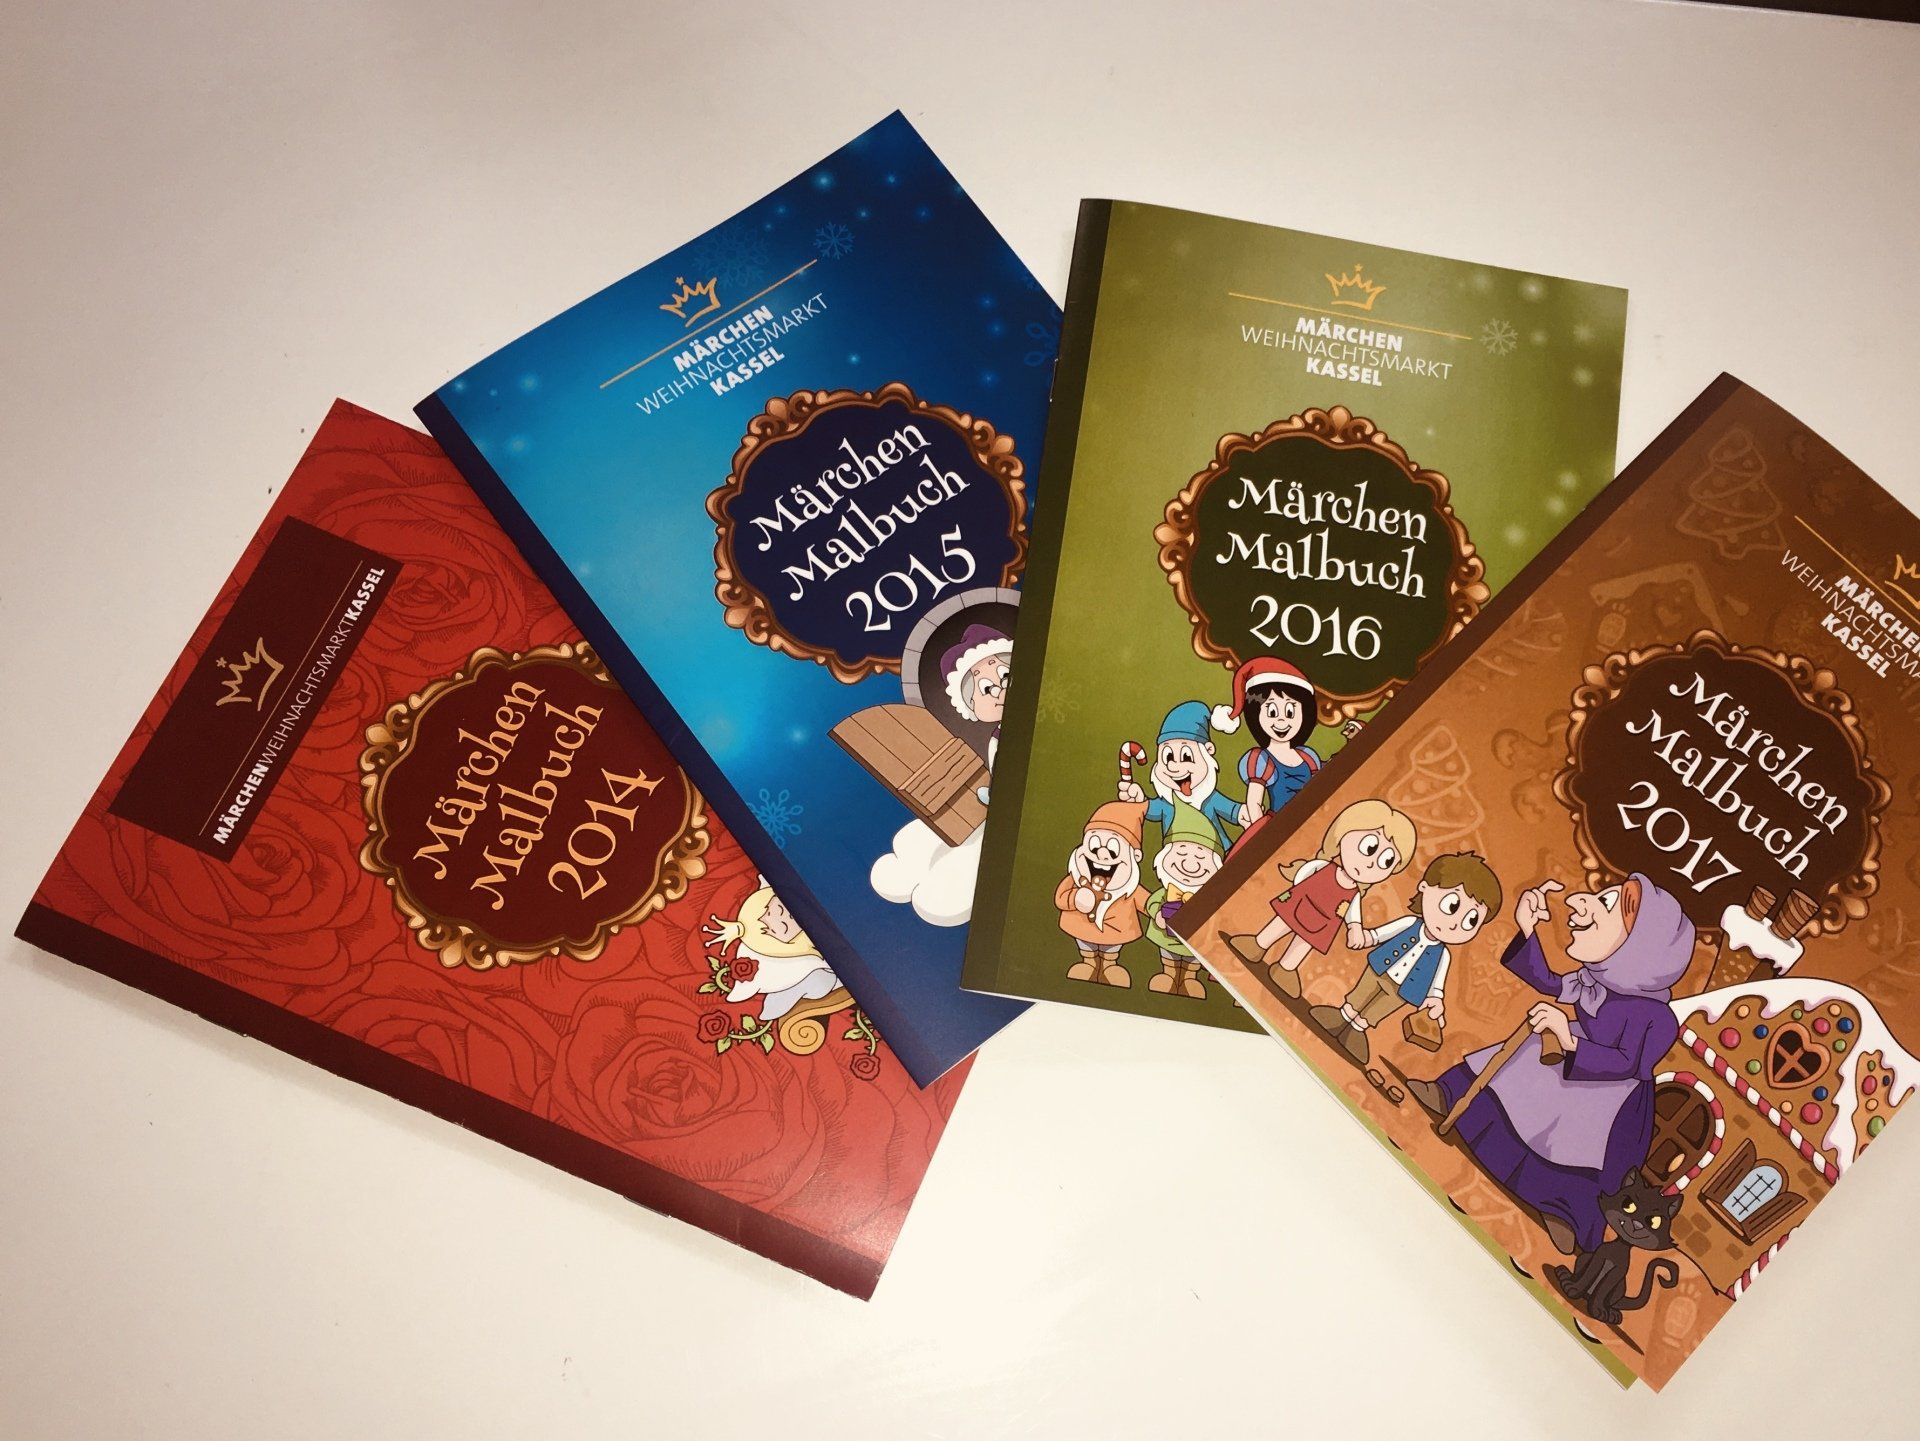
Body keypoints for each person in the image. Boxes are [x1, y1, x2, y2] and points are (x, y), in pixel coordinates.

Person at [1406, 873, 1695, 1256]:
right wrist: (1527, 928)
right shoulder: (1596, 979)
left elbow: (1627, 1062)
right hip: (1567, 1048)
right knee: (1521, 1060)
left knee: (1574, 1142)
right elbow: (1551, 983)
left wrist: (1570, 1040)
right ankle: (1451, 1096)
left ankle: (1564, 1214)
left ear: (1641, 948)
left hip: (1611, 1093)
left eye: (1606, 904)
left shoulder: (1657, 1019)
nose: (1581, 903)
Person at [1310, 851, 1502, 1066]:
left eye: (1471, 920)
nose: (1455, 924)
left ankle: (1357, 1029)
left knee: (1379, 1009)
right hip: (1380, 968)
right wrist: (1365, 937)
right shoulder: (1410, 923)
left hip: (1405, 991)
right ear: (1424, 887)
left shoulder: (1443, 955)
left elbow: (1437, 984)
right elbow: (1382, 934)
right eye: (1452, 905)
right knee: (1361, 994)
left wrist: (1435, 1000)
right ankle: (1343, 1016)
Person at [1218, 799, 1415, 999]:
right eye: (1370, 847)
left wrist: (1355, 928)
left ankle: (1286, 968)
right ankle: (1258, 944)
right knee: (1282, 922)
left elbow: (1353, 914)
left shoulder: (1354, 893)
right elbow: (1304, 874)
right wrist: (1295, 888)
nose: (1371, 864)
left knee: (1305, 942)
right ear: (1342, 834)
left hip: (1323, 923)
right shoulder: (1323, 866)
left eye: (1386, 861)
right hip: (1299, 902)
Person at [1211, 656, 1321, 832]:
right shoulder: (1261, 760)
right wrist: (1263, 832)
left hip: (1312, 824)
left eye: (1290, 712)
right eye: (1272, 712)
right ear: (1256, 714)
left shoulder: (1308, 756)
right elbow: (1254, 803)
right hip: (1278, 826)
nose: (1281, 721)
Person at [1057, 800, 1151, 989]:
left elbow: (1148, 903)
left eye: (1113, 849)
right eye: (1093, 845)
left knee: (1110, 955)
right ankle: (1089, 963)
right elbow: (1060, 898)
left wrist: (1160, 911)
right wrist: (1075, 898)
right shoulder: (1076, 878)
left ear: (1135, 856)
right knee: (1087, 952)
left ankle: (1109, 966)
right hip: (1081, 930)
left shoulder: (1129, 888)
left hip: (1116, 933)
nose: (1101, 854)